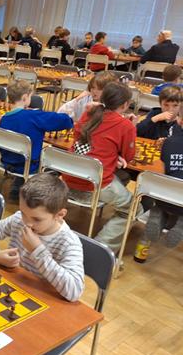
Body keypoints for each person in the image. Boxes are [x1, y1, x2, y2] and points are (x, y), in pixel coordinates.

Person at [0, 173, 84, 355]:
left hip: (49, 320)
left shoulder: (68, 242)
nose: (27, 223)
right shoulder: (21, 219)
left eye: (36, 219)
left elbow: (74, 291)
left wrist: (38, 251)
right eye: (23, 213)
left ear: (60, 215)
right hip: (14, 303)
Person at [63, 82, 139, 252]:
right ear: (125, 105)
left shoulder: (89, 113)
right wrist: (131, 128)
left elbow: (79, 137)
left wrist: (112, 153)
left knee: (121, 179)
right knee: (133, 209)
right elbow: (128, 157)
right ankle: (100, 248)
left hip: (68, 176)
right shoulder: (125, 125)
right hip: (95, 184)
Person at [0, 80, 73, 200]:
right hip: (30, 165)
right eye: (30, 96)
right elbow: (63, 121)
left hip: (7, 161)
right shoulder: (34, 116)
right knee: (58, 159)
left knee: (25, 152)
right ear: (25, 97)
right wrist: (69, 118)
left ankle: (18, 184)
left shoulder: (4, 118)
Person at [146, 104, 183, 247]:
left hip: (164, 196)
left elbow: (162, 171)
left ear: (179, 121)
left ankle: (158, 210)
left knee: (168, 180)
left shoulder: (169, 142)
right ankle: (180, 223)